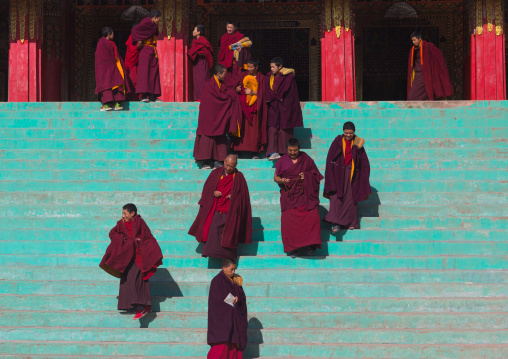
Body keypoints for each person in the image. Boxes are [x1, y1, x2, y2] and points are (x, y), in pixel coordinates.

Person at [99, 203, 163, 320]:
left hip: (139, 256)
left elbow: (147, 237)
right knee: (128, 280)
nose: (123, 216)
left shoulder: (140, 223)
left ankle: (141, 307)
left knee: (137, 280)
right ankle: (136, 306)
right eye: (122, 213)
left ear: (133, 213)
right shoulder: (121, 224)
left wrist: (139, 242)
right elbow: (112, 234)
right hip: (127, 256)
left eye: (125, 213)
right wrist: (123, 240)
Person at [189, 155, 252, 259]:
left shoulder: (239, 177)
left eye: (231, 166)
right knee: (212, 231)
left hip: (230, 211)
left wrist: (234, 196)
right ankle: (209, 253)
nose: (228, 168)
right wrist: (213, 192)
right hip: (215, 208)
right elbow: (206, 189)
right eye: (226, 165)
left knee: (229, 233)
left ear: (235, 165)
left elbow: (244, 197)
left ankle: (228, 258)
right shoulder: (215, 173)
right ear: (224, 163)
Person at [274, 138, 323, 258]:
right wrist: (282, 180)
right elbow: (276, 177)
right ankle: (293, 249)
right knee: (288, 221)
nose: (292, 153)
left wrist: (306, 176)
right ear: (287, 150)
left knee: (312, 216)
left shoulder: (306, 159)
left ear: (299, 149)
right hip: (289, 196)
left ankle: (309, 246)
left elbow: (316, 175)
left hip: (305, 197)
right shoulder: (282, 160)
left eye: (295, 150)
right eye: (290, 150)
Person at [193, 65, 243, 169]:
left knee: (220, 136)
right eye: (224, 74)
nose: (225, 76)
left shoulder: (220, 83)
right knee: (207, 137)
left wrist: (233, 92)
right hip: (209, 117)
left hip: (218, 117)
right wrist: (229, 97)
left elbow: (225, 92)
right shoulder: (209, 85)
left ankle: (218, 161)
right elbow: (218, 98)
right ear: (219, 74)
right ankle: (205, 162)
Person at [324, 122, 371, 231]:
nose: (348, 135)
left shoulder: (358, 142)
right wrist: (330, 177)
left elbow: (364, 161)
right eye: (346, 133)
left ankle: (351, 223)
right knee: (336, 197)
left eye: (350, 133)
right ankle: (336, 223)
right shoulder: (337, 142)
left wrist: (362, 177)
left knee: (351, 199)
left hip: (352, 173)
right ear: (343, 131)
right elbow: (330, 158)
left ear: (354, 132)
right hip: (338, 173)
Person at [207, 258, 248, 359]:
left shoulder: (236, 280)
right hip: (222, 320)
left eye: (235, 269)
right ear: (224, 268)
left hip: (234, 319)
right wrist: (233, 299)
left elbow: (241, 298)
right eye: (231, 269)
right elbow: (218, 299)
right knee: (221, 347)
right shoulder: (217, 281)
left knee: (233, 345)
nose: (233, 272)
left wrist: (238, 288)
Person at [264, 57, 303, 161]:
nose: (271, 69)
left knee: (284, 130)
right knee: (272, 129)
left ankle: (284, 152)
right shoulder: (268, 77)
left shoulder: (288, 77)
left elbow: (291, 95)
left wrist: (285, 104)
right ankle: (272, 152)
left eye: (273, 67)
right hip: (273, 106)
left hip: (285, 107)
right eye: (270, 67)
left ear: (280, 67)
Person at [232, 58, 268, 158]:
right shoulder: (243, 75)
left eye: (251, 67)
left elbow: (266, 93)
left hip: (255, 107)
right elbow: (235, 87)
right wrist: (237, 88)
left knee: (254, 131)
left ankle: (254, 152)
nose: (249, 69)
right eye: (248, 66)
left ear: (256, 67)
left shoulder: (262, 78)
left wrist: (253, 92)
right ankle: (237, 150)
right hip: (243, 106)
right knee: (241, 128)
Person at [407, 30, 454, 101]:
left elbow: (438, 55)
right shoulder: (413, 49)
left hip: (426, 74)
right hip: (417, 74)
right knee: (412, 96)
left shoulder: (428, 46)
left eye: (414, 40)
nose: (413, 42)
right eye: (412, 40)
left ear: (419, 39)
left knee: (425, 92)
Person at [95, 27, 130, 111]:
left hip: (113, 66)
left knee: (116, 83)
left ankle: (116, 104)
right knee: (108, 84)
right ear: (108, 34)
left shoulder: (111, 43)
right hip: (106, 68)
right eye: (112, 33)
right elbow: (101, 58)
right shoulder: (101, 43)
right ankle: (108, 105)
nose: (113, 35)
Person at [131, 9, 162, 102]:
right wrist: (139, 39)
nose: (159, 21)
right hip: (145, 50)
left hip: (152, 50)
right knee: (145, 72)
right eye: (158, 19)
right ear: (155, 17)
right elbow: (135, 30)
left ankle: (153, 96)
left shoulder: (153, 25)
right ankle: (144, 96)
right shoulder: (146, 22)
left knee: (154, 72)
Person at [218, 21, 251, 89]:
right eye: (228, 27)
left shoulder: (240, 36)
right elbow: (222, 51)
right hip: (227, 61)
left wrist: (241, 50)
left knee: (238, 78)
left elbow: (247, 48)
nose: (229, 29)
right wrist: (231, 52)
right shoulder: (224, 38)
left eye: (231, 27)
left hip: (237, 62)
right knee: (227, 78)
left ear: (235, 28)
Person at [188, 24, 214, 102]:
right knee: (196, 81)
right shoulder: (195, 41)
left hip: (202, 63)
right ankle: (197, 98)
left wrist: (194, 53)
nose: (193, 31)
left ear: (198, 32)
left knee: (203, 80)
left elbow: (206, 53)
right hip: (196, 63)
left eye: (194, 30)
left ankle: (203, 98)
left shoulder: (203, 41)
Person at [124, 25, 140, 101]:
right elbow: (133, 49)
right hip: (132, 65)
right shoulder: (133, 37)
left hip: (133, 64)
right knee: (133, 81)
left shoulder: (134, 37)